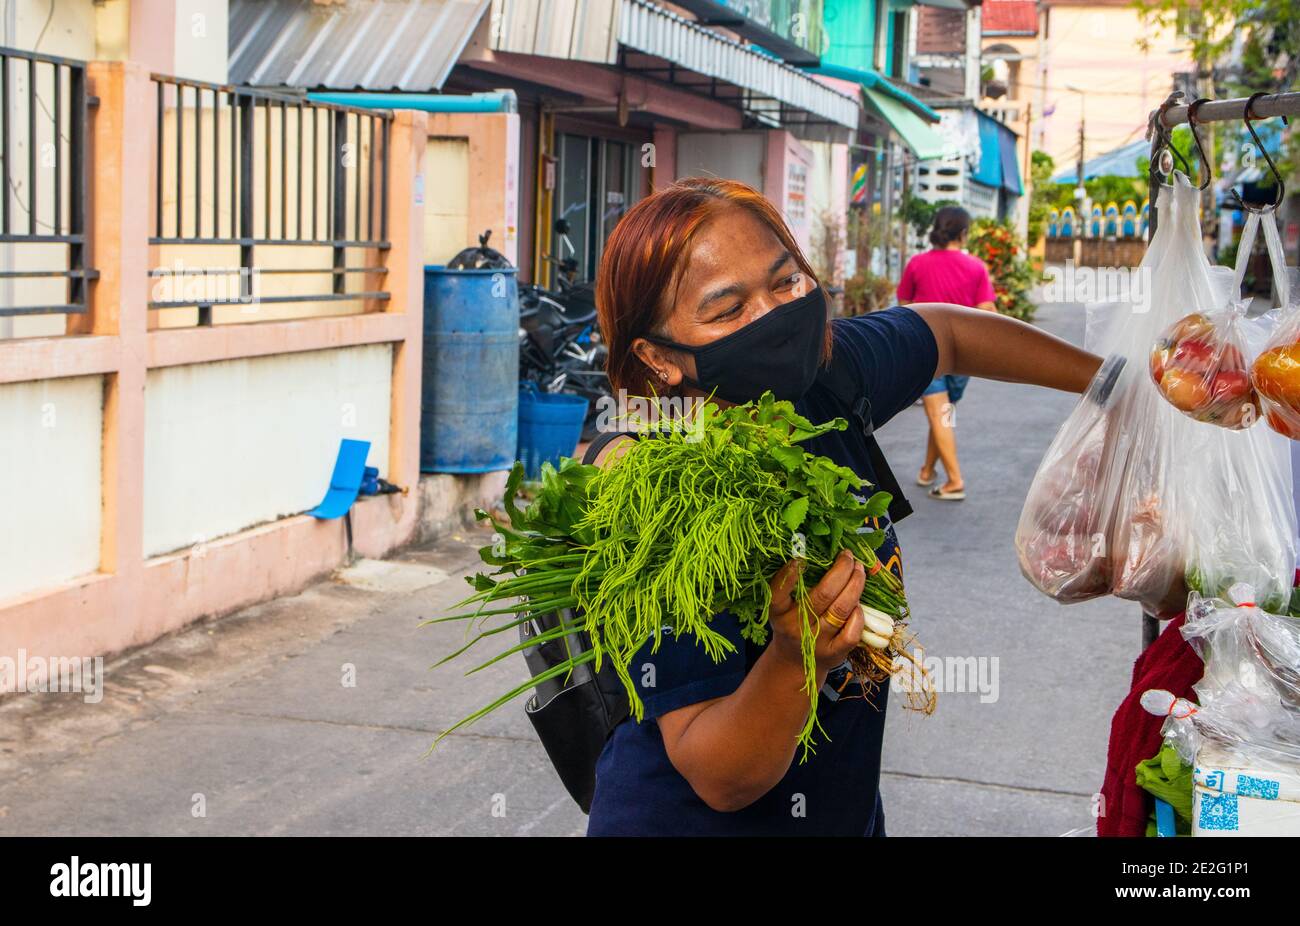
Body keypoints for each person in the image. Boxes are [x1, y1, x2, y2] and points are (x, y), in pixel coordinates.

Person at [582, 178, 1098, 836]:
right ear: (657, 356)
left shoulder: (826, 376)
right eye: (728, 308)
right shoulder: (649, 486)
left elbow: (944, 333)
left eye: (785, 280)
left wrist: (1112, 383)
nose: (773, 316)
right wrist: (798, 656)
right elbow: (717, 773)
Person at [895, 206, 998, 501]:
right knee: (943, 413)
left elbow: (904, 306)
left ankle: (954, 481)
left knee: (940, 415)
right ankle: (927, 470)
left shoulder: (917, 264)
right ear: (963, 234)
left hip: (927, 350)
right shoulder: (976, 267)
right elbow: (986, 311)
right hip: (963, 356)